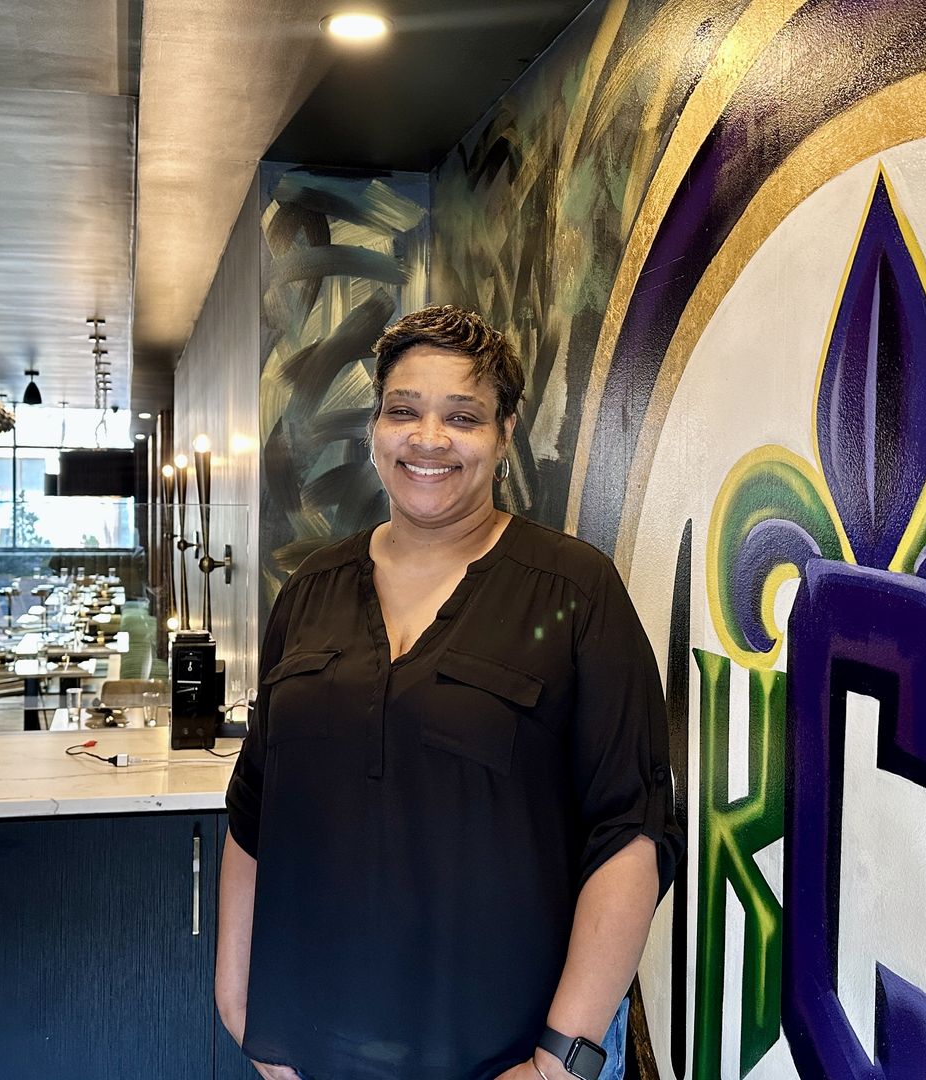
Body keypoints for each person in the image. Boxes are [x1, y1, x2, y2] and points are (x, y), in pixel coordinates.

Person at [218, 305, 684, 1080]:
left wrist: (560, 1058)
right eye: (404, 410)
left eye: (462, 417)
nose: (428, 439)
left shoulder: (574, 590)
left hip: (496, 1054)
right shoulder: (311, 590)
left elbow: (631, 829)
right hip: (309, 1048)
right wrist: (240, 1006)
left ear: (504, 435)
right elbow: (254, 805)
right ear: (376, 428)